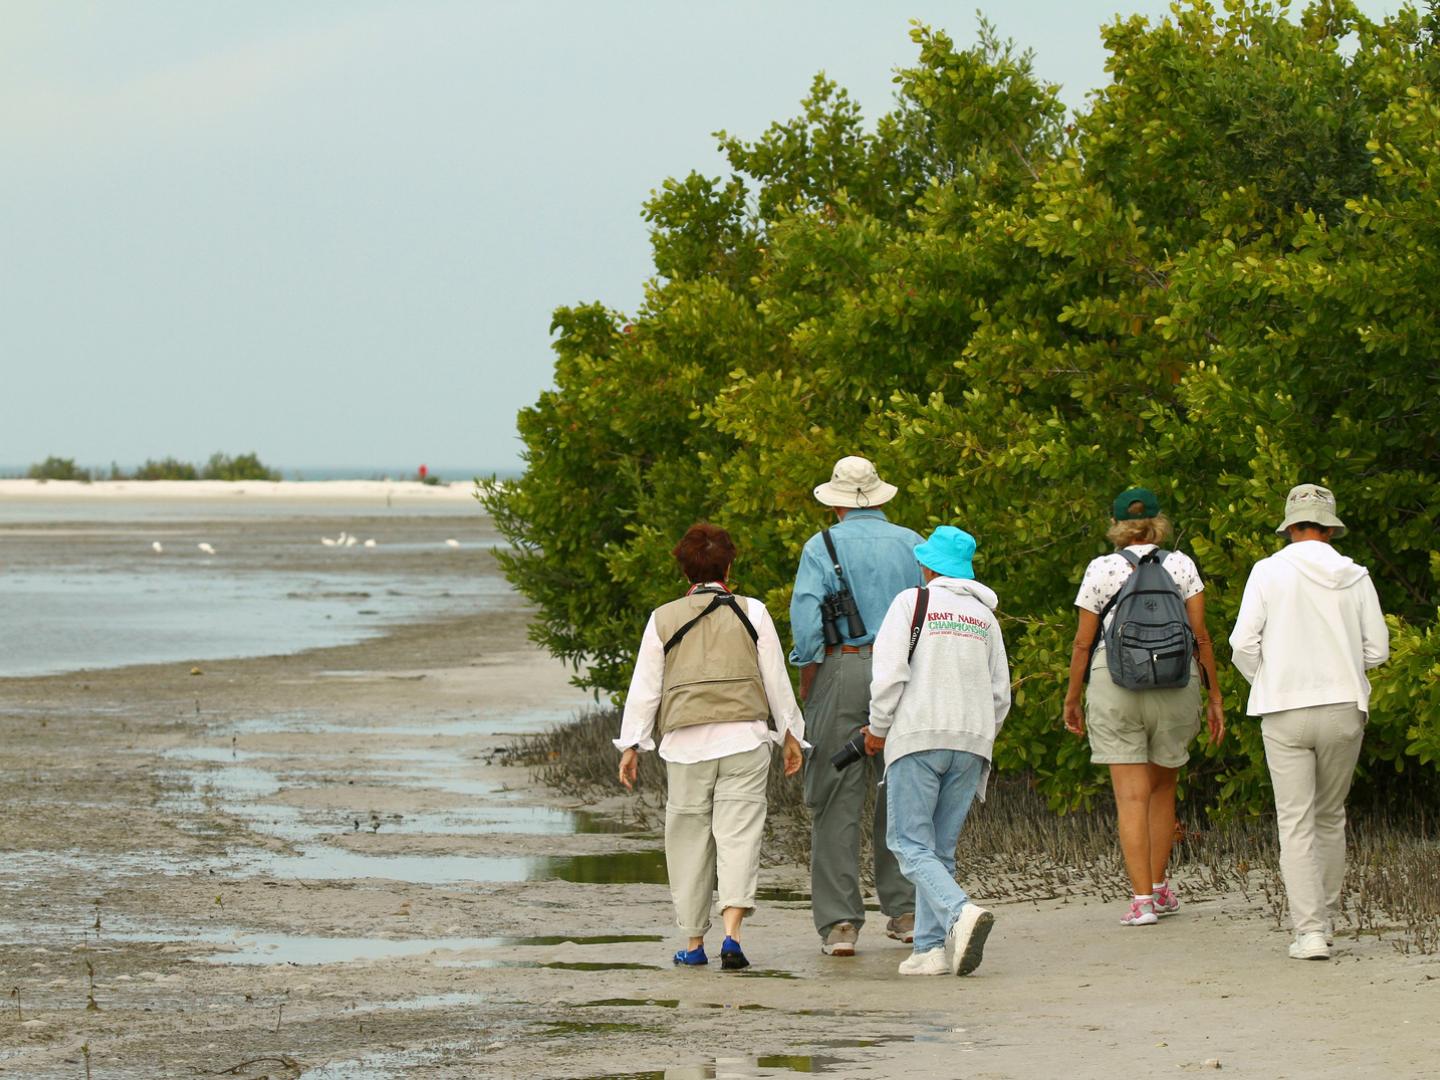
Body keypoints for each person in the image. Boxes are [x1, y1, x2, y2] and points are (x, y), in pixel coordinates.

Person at [616, 523, 805, 970]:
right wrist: (791, 734)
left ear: (684, 569)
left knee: (689, 841)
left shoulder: (663, 617)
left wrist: (632, 745)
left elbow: (646, 687)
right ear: (729, 564)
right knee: (739, 837)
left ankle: (695, 944)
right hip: (745, 739)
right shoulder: (752, 611)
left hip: (685, 745)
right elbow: (775, 678)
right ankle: (733, 937)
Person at [1229, 484, 1389, 961]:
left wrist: (1271, 678)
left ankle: (1311, 931)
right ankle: (1328, 918)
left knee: (1294, 822)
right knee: (1330, 816)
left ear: (1290, 525)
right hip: (1343, 705)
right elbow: (1378, 650)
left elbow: (1242, 644)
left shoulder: (1267, 571)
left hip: (1284, 709)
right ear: (1330, 527)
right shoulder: (1355, 574)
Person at [1062, 487, 1224, 926]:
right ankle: (1158, 886)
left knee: (1130, 797)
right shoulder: (1181, 564)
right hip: (1177, 684)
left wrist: (1073, 697)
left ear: (1116, 525)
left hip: (1116, 684)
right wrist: (1213, 696)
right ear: (1158, 522)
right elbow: (1201, 637)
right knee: (1162, 790)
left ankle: (1141, 903)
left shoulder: (1101, 568)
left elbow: (1083, 641)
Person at [790, 455, 922, 955]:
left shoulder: (820, 545)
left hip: (844, 663)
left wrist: (810, 680)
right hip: (907, 670)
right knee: (902, 788)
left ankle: (841, 925)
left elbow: (806, 624)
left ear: (838, 502)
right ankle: (905, 911)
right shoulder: (913, 543)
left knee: (834, 795)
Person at [865, 526, 1011, 976]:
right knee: (939, 851)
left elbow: (890, 676)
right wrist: (982, 735)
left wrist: (878, 728)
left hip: (918, 737)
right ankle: (929, 951)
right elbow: (1000, 694)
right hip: (972, 743)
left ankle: (958, 911)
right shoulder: (985, 617)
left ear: (929, 566)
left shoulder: (913, 602)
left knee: (907, 843)